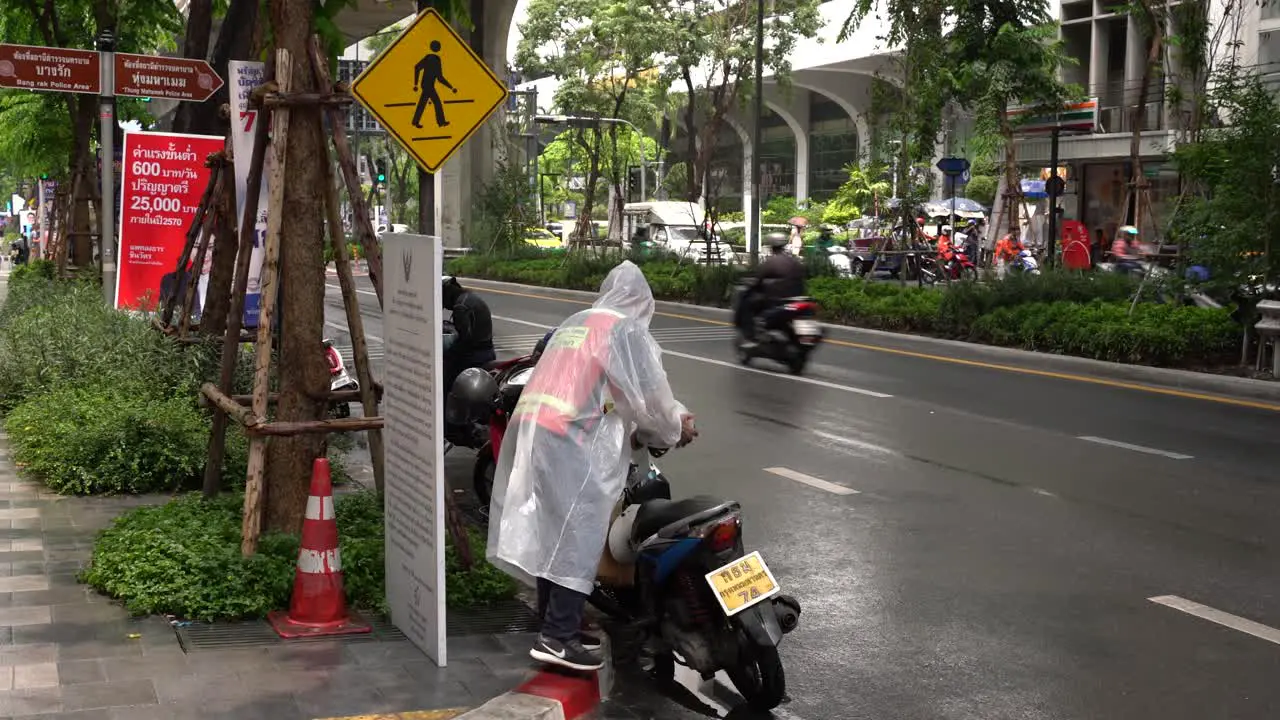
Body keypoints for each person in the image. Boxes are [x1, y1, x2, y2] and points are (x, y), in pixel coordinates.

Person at [487, 261, 697, 672]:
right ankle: (557, 639)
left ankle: (557, 623)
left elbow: (611, 390)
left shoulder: (578, 321)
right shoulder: (625, 330)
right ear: (643, 302)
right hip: (574, 440)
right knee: (578, 535)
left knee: (554, 530)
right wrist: (677, 427)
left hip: (538, 432)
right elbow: (650, 400)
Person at [735, 232, 807, 345]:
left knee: (748, 303)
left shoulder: (771, 262)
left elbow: (758, 281)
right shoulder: (794, 261)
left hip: (777, 300)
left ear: (771, 246)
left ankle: (751, 334)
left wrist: (752, 286)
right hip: (796, 298)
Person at [442, 276, 495, 394]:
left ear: (446, 293)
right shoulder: (470, 297)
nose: (445, 306)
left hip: (474, 357)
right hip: (488, 351)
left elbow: (465, 341)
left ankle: (445, 409)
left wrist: (449, 352)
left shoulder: (460, 307)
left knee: (446, 380)